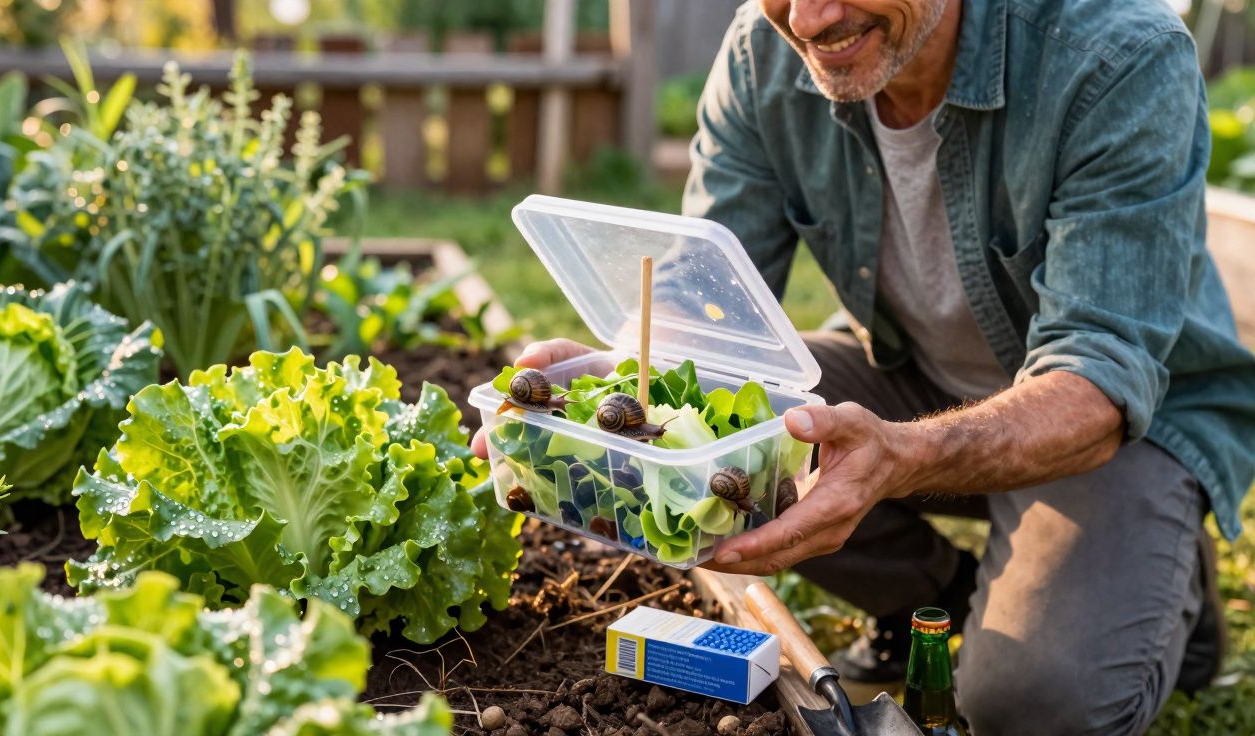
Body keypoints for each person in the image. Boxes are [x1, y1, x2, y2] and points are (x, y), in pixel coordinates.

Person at [474, 1, 1255, 733]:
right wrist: (609, 387)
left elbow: (1097, 378)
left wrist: (900, 459)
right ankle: (939, 598)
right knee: (756, 430)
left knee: (1032, 703)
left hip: (1111, 421)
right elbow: (702, 311)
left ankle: (1158, 563)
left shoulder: (1115, 55)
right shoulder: (762, 50)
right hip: (916, 374)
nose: (809, 19)